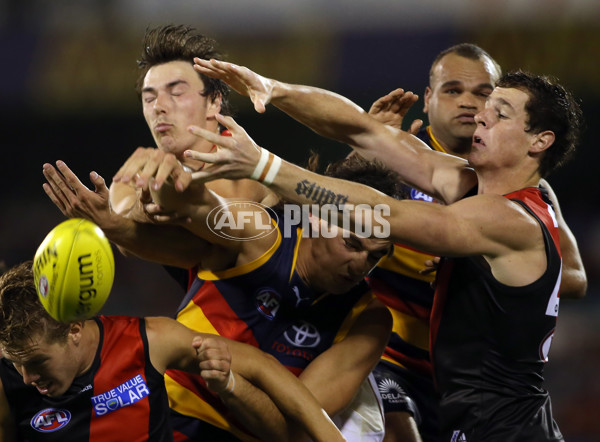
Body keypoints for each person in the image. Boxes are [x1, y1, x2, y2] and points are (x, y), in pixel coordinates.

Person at [183, 64, 582, 440]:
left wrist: (263, 166)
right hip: (481, 421)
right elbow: (364, 130)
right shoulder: (469, 186)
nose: (481, 116)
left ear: (539, 141)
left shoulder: (512, 220)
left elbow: (384, 216)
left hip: (507, 429)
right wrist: (275, 89)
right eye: (486, 108)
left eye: (501, 113)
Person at [363, 43, 587, 441]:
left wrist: (473, 259)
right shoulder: (394, 164)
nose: (469, 103)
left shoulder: (529, 191)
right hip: (389, 358)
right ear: (428, 99)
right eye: (453, 90)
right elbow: (324, 235)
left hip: (468, 382)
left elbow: (572, 278)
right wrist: (362, 154)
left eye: (483, 93)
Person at [145, 154, 398, 441]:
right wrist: (159, 180)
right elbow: (190, 206)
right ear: (315, 215)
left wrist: (230, 384)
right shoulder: (260, 231)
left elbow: (298, 431)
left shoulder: (368, 319)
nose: (360, 265)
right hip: (163, 409)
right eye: (351, 244)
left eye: (375, 256)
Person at [0, 261, 344, 441]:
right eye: (15, 364)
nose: (28, 378)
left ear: (74, 329)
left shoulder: (151, 339)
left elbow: (263, 367)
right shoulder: (8, 385)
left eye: (35, 362)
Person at [42, 24, 274, 273]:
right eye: (149, 98)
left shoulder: (245, 163)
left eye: (176, 93)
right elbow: (128, 243)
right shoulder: (132, 175)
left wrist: (115, 223)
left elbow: (202, 248)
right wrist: (129, 216)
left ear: (213, 102)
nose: (159, 107)